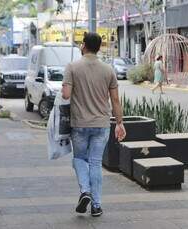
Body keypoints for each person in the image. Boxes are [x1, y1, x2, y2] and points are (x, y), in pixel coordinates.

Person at [62, 32, 126, 217]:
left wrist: (67, 87)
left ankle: (85, 191)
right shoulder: (108, 70)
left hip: (80, 124)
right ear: (98, 48)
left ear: (84, 46)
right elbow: (115, 100)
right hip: (102, 124)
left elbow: (66, 95)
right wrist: (120, 123)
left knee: (79, 159)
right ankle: (96, 205)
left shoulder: (72, 67)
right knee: (96, 163)